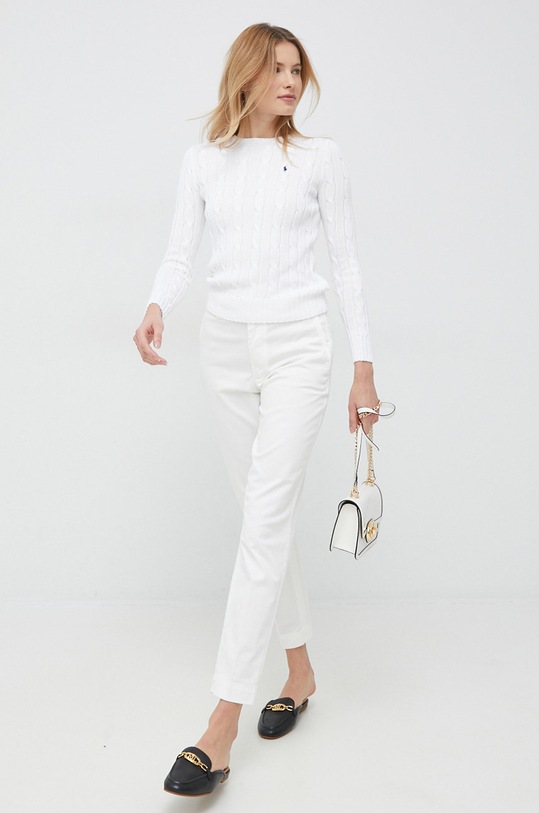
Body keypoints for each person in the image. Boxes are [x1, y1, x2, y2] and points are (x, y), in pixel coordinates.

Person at [133, 22, 380, 797]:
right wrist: (157, 303)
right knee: (260, 521)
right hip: (225, 350)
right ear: (244, 74)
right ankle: (299, 671)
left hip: (300, 349)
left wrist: (363, 366)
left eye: (296, 68)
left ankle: (219, 725)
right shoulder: (204, 160)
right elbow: (181, 252)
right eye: (275, 68)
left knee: (263, 522)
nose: (289, 80)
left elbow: (345, 263)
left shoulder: (318, 157)